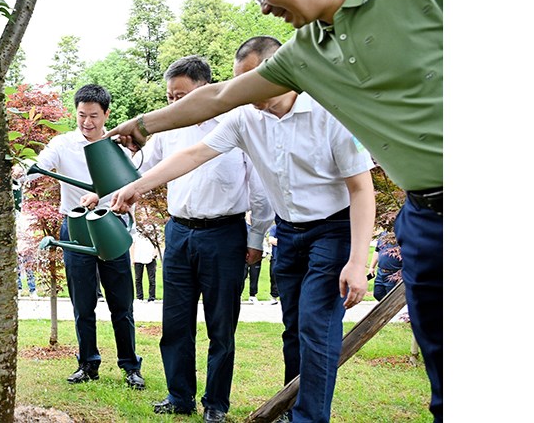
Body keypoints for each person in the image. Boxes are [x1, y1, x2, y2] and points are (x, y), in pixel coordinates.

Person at [106, 0, 442, 420]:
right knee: (444, 366)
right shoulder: (305, 53)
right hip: (423, 216)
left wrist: (356, 257)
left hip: (346, 226)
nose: (263, 7)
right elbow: (217, 98)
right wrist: (143, 124)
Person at [112, 36, 376, 423]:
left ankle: (308, 417)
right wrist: (136, 186)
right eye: (238, 81)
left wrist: (357, 260)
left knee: (315, 327)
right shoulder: (243, 118)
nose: (242, 89)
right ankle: (291, 406)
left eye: (251, 78)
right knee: (293, 328)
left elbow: (361, 188)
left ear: (280, 69)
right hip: (289, 232)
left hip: (332, 230)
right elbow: (193, 154)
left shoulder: (329, 112)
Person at [90, 57, 270, 422]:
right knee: (175, 323)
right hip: (179, 233)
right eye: (170, 97)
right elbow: (141, 170)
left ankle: (216, 404)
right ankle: (179, 395)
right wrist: (106, 190)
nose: (174, 105)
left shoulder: (236, 125)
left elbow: (260, 190)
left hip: (225, 234)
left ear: (205, 91)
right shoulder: (169, 131)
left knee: (221, 326)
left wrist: (255, 236)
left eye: (182, 96)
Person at [17, 84, 146, 390]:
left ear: (106, 115)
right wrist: (20, 170)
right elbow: (37, 166)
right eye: (82, 115)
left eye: (94, 116)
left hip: (111, 224)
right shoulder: (63, 144)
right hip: (75, 227)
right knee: (82, 303)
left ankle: (130, 366)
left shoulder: (117, 146)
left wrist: (100, 194)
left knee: (121, 303)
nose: (87, 122)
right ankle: (88, 363)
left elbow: (131, 183)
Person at [370, 230, 401, 302]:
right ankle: (389, 309)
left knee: (391, 298)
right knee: (377, 294)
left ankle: (391, 311)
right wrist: (372, 267)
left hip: (394, 274)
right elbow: (377, 251)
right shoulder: (383, 234)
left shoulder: (402, 233)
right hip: (381, 272)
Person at [130, 229, 157, 302]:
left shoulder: (152, 228)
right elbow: (132, 245)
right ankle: (139, 297)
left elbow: (157, 242)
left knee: (152, 279)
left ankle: (152, 298)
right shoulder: (135, 230)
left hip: (150, 257)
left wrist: (155, 253)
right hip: (138, 258)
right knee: (138, 279)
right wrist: (132, 258)